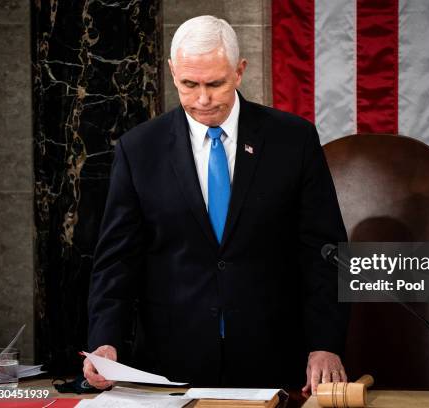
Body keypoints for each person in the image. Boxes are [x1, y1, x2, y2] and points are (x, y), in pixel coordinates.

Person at [84, 15, 348, 394]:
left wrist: (326, 343)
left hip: (274, 357)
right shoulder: (139, 149)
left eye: (215, 83)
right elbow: (117, 259)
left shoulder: (293, 140)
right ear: (173, 72)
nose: (203, 99)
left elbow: (325, 252)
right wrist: (105, 340)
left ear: (239, 72)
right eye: (189, 84)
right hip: (171, 363)